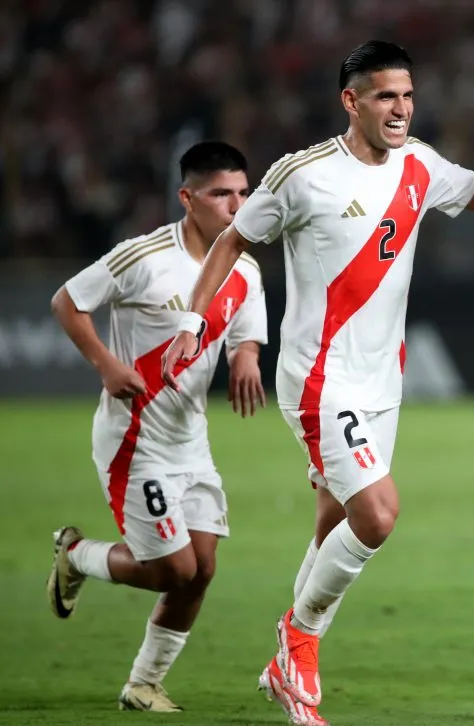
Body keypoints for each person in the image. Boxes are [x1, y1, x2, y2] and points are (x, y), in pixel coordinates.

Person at [160, 40, 474, 726]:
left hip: (382, 383)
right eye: (384, 97)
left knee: (335, 523)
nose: (399, 109)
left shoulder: (421, 165)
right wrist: (195, 321)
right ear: (352, 101)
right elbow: (231, 241)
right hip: (318, 377)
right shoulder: (303, 175)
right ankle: (297, 641)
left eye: (406, 96)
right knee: (377, 514)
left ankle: (289, 678)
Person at [47, 141, 267, 712]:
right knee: (173, 568)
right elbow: (67, 302)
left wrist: (246, 355)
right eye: (222, 194)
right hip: (134, 438)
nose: (236, 206)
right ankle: (76, 556)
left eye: (243, 193)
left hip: (190, 437)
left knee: (202, 569)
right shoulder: (141, 256)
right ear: (188, 198)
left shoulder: (243, 266)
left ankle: (144, 684)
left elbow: (244, 327)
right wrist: (107, 364)